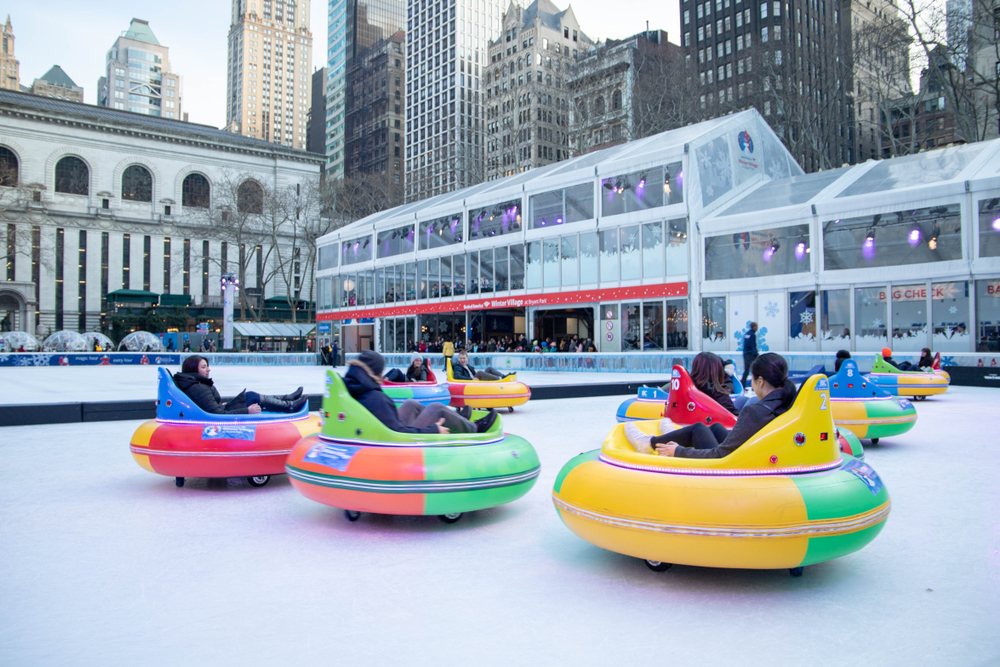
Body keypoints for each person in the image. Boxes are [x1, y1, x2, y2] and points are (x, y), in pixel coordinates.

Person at [627, 353, 798, 458]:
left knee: (698, 429)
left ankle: (648, 443)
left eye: (751, 380)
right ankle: (673, 436)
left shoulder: (755, 412)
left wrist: (678, 451)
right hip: (755, 452)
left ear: (760, 381)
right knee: (715, 427)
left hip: (737, 463)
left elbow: (720, 455)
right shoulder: (787, 402)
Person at [345, 350, 496, 434]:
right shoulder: (375, 397)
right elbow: (398, 434)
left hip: (384, 425)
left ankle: (457, 418)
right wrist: (433, 430)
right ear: (376, 372)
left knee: (411, 403)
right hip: (398, 438)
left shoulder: (355, 386)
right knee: (436, 409)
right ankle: (473, 428)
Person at [173, 355, 305, 415]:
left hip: (223, 409)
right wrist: (247, 411)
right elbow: (216, 413)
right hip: (222, 416)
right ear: (193, 370)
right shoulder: (198, 387)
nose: (208, 370)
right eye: (204, 367)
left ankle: (287, 399)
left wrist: (220, 404)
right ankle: (289, 406)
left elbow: (211, 407)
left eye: (207, 366)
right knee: (251, 397)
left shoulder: (196, 384)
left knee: (250, 396)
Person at [687, 352, 739, 416]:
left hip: (686, 424)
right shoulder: (718, 393)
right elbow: (735, 418)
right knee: (743, 400)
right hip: (718, 424)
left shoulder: (686, 388)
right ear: (717, 371)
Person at [740, 322, 759, 389]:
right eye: (756, 326)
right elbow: (753, 346)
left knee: (746, 370)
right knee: (755, 370)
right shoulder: (753, 335)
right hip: (751, 354)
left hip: (745, 354)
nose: (757, 328)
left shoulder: (746, 334)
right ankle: (755, 387)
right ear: (754, 327)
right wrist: (756, 355)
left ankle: (742, 385)